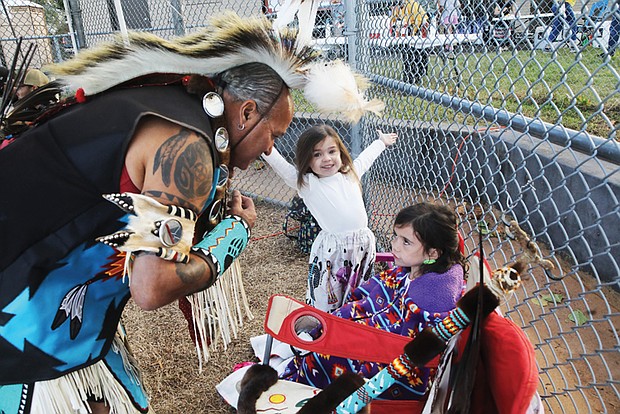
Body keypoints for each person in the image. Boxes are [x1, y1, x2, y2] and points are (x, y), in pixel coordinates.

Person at [0, 12, 380, 414]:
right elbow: (153, 285)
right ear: (247, 112)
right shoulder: (187, 146)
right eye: (274, 135)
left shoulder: (166, 103)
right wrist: (233, 233)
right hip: (27, 327)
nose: (268, 150)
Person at [278, 202, 467, 402]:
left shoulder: (429, 300)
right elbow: (373, 295)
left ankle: (303, 383)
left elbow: (406, 350)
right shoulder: (412, 270)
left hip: (385, 365)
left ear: (433, 253)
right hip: (367, 334)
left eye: (406, 242)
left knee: (322, 354)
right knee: (324, 331)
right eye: (396, 236)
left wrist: (352, 332)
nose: (395, 245)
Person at [262, 125, 398, 312]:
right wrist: (266, 150)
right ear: (307, 161)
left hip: (362, 245)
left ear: (340, 152)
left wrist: (381, 142)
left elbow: (365, 159)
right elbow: (284, 169)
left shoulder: (350, 173)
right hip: (333, 251)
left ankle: (350, 322)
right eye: (317, 154)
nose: (326, 159)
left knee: (358, 291)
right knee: (328, 294)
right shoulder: (308, 184)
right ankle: (324, 324)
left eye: (332, 151)